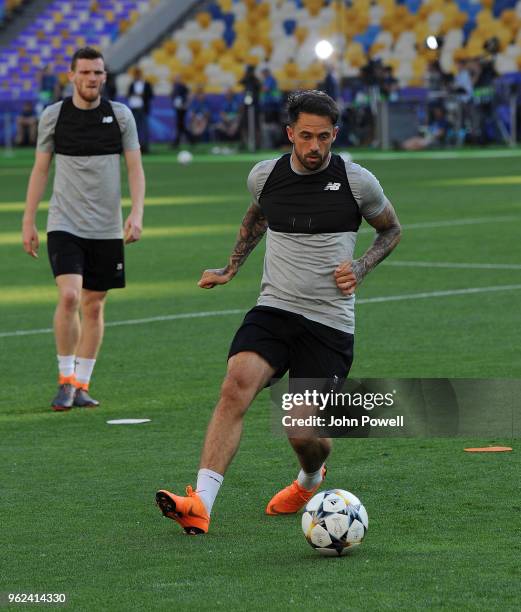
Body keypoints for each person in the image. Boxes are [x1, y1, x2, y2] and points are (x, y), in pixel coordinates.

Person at [156, 90, 401, 535]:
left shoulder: (357, 181)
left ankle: (310, 478)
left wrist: (362, 266)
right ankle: (200, 504)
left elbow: (391, 229)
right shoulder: (265, 177)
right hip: (275, 309)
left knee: (301, 433)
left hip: (329, 324)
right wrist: (231, 267)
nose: (314, 147)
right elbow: (256, 217)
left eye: (323, 137)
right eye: (305, 136)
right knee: (236, 386)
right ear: (290, 133)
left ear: (334, 135)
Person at [21, 46, 145, 411]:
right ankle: (64, 379)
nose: (92, 79)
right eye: (86, 72)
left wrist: (136, 213)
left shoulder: (120, 117)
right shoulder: (54, 116)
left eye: (98, 73)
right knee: (71, 296)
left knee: (93, 305)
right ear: (72, 76)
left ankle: (81, 383)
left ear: (105, 77)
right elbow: (40, 169)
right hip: (65, 223)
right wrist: (29, 220)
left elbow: (135, 169)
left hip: (106, 227)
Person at [127, 67, 154, 153]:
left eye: (138, 74)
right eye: (135, 74)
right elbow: (128, 95)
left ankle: (145, 147)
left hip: (143, 109)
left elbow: (151, 95)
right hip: (134, 108)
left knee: (144, 128)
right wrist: (134, 94)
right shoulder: (132, 84)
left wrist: (143, 95)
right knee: (135, 128)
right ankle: (135, 147)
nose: (137, 76)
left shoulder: (146, 84)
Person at [171, 75, 191, 147]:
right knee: (180, 125)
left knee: (180, 124)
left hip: (182, 107)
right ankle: (191, 139)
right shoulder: (175, 86)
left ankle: (177, 142)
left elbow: (188, 95)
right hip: (178, 107)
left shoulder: (182, 86)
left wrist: (186, 104)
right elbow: (173, 96)